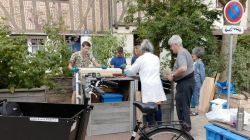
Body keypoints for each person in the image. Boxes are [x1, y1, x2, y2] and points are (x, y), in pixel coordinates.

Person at [126, 39, 167, 124]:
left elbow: (131, 72)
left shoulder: (141, 59)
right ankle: (160, 126)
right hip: (157, 85)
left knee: (149, 107)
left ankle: (151, 127)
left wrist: (125, 71)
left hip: (148, 86)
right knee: (157, 106)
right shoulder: (156, 58)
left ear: (142, 49)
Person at [167, 35, 194, 132]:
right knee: (183, 106)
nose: (171, 48)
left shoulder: (181, 53)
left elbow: (183, 68)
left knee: (182, 107)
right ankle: (185, 129)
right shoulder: (185, 52)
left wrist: (173, 75)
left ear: (175, 44)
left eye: (171, 46)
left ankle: (185, 131)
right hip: (187, 83)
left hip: (185, 83)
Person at [190, 47, 205, 116]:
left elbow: (202, 75)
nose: (192, 55)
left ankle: (196, 111)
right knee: (192, 96)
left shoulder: (200, 63)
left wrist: (201, 83)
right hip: (193, 82)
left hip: (197, 83)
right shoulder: (195, 62)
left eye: (193, 54)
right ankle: (191, 110)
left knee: (196, 96)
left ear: (196, 55)